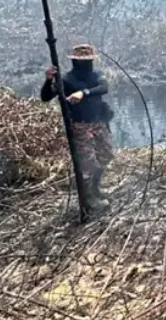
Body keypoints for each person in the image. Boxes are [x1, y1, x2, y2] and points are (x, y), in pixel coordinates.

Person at [41, 44, 113, 212]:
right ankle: (88, 199)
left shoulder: (97, 75)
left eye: (87, 60)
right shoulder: (66, 79)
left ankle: (95, 188)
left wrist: (83, 93)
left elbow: (104, 88)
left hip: (99, 122)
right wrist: (49, 80)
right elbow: (46, 96)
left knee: (106, 155)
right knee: (88, 164)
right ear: (74, 60)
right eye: (81, 60)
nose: (85, 63)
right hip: (80, 125)